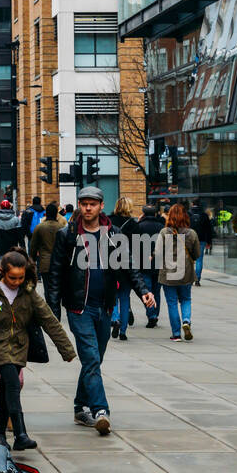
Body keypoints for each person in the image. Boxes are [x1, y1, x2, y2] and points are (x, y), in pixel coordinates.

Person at [46, 185, 156, 436]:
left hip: (105, 307)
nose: (87, 208)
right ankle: (100, 410)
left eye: (92, 204)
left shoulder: (113, 234)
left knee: (94, 361)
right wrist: (53, 309)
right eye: (83, 203)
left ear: (100, 206)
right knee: (92, 358)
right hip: (78, 307)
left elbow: (128, 266)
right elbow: (55, 273)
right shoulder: (68, 234)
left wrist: (144, 292)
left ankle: (78, 408)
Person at [0, 250, 75, 450]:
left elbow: (49, 320)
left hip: (18, 347)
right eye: (12, 278)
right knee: (13, 384)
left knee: (9, 389)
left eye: (20, 278)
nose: (16, 282)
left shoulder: (29, 293)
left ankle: (0, 435)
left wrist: (66, 350)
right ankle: (20, 433)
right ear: (2, 272)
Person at [155, 203, 199, 341]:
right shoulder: (191, 233)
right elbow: (196, 254)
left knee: (172, 302)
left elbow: (157, 253)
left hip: (168, 273)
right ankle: (186, 321)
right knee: (186, 299)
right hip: (185, 273)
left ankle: (176, 334)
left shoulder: (164, 232)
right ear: (185, 216)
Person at [109, 196, 140, 342]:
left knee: (113, 295)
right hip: (127, 265)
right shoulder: (134, 225)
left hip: (111, 264)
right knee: (125, 297)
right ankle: (123, 330)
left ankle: (114, 319)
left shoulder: (109, 222)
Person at [29, 201, 66, 301]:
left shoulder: (39, 227)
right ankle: (55, 308)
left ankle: (50, 308)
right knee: (57, 288)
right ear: (56, 214)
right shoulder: (62, 228)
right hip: (59, 263)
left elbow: (33, 247)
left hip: (45, 263)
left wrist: (31, 262)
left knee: (47, 289)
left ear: (46, 213)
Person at [134, 203, 164, 326]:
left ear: (144, 213)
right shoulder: (161, 226)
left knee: (147, 289)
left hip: (144, 263)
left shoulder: (139, 226)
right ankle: (155, 314)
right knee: (157, 291)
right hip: (158, 262)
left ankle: (151, 314)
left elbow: (136, 246)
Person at [189, 199, 213, 286]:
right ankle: (197, 279)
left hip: (189, 239)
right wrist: (209, 242)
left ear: (192, 204)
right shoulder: (204, 215)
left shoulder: (188, 214)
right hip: (201, 240)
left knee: (190, 260)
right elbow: (209, 230)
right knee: (199, 260)